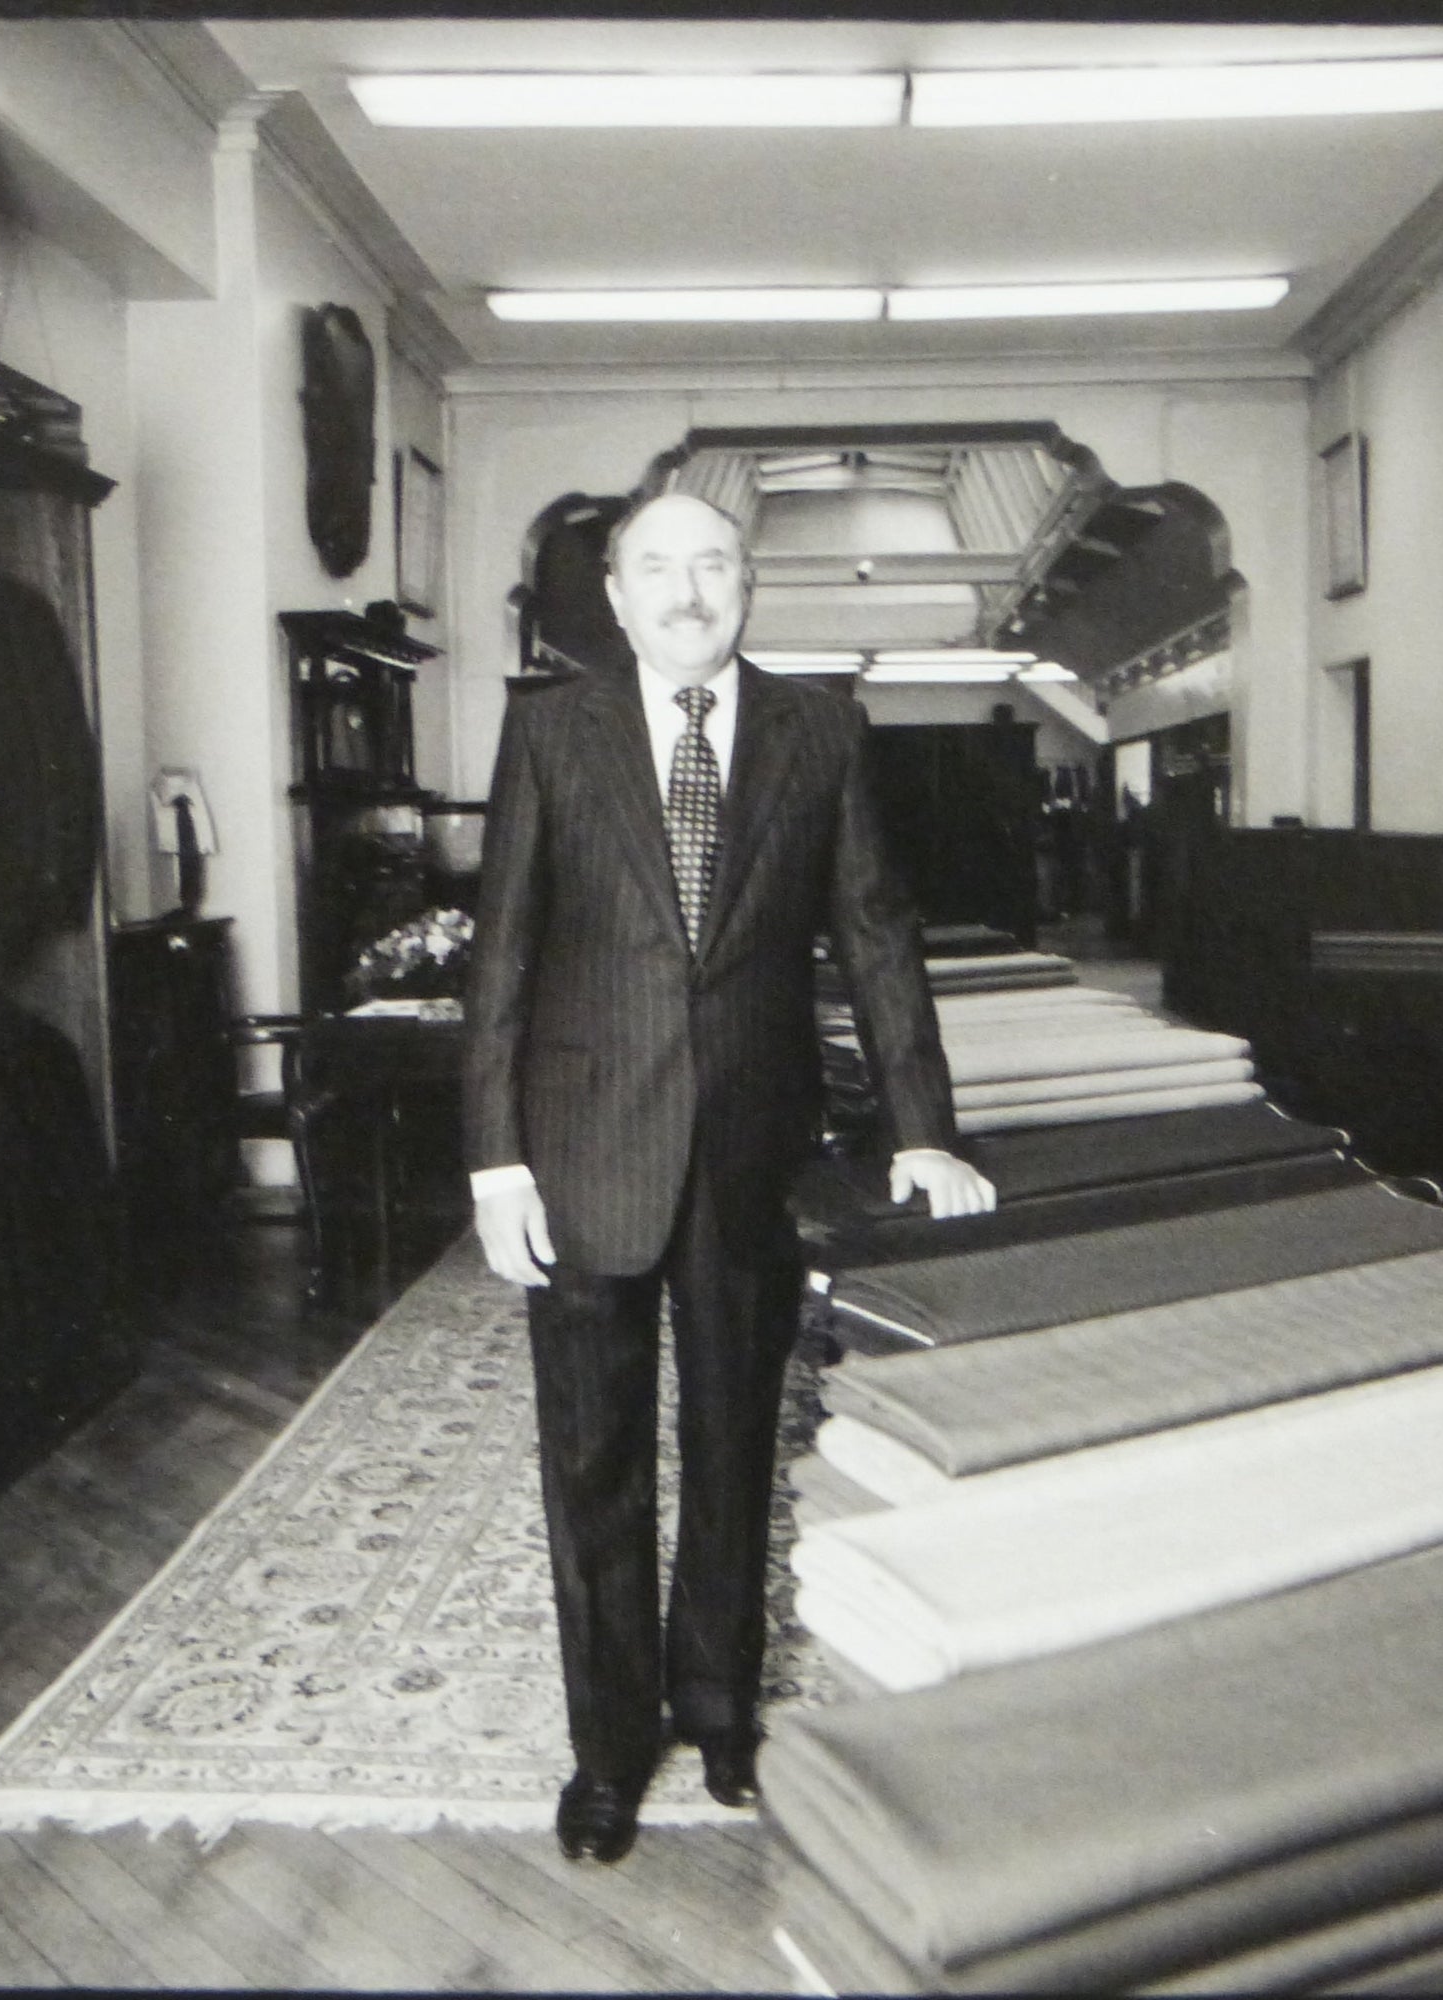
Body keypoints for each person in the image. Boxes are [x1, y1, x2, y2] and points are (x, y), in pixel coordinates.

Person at [464, 490, 995, 1864]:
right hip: (583, 1142)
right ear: (619, 599)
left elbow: (875, 932)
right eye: (659, 568)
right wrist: (494, 1159)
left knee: (732, 1436)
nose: (688, 591)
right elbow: (505, 956)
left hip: (754, 1150)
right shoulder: (549, 729)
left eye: (712, 564)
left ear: (748, 585)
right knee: (593, 1459)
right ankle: (607, 1748)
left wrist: (922, 1126)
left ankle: (718, 1708)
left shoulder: (819, 730)